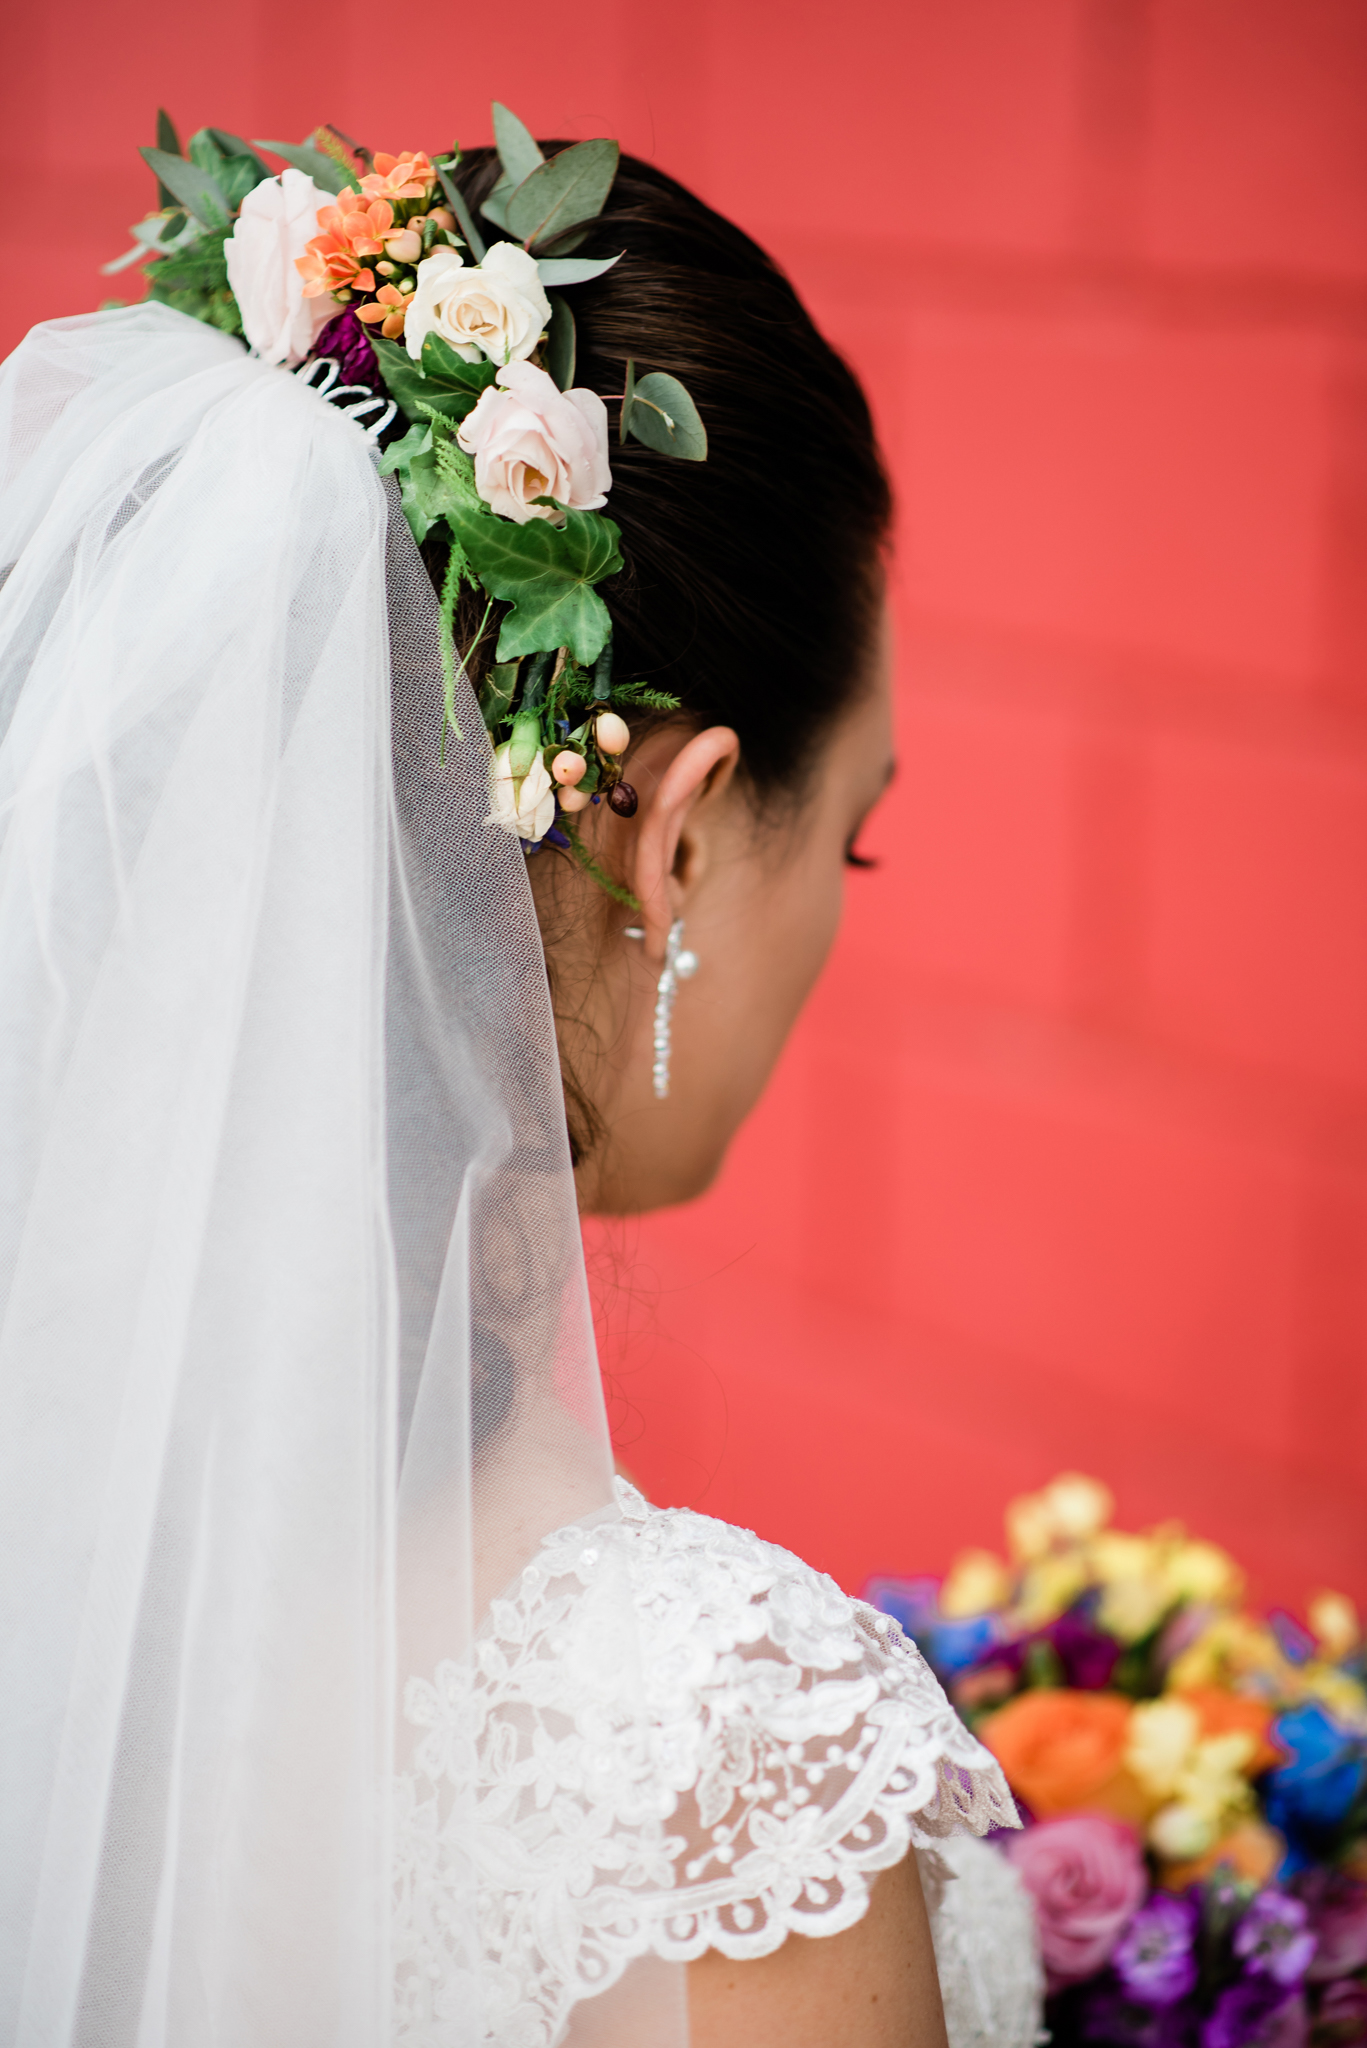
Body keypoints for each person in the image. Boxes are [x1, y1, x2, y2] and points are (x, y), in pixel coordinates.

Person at [0, 117, 1041, 2048]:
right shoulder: (721, 1752)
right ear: (679, 834)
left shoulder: (60, 1525)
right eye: (856, 835)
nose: (842, 902)